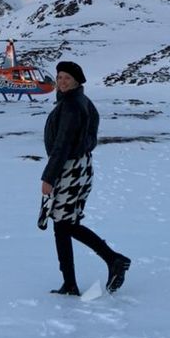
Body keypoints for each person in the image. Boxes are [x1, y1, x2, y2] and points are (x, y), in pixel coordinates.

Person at [39, 60, 130, 296]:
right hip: (81, 166)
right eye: (59, 77)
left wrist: (48, 177)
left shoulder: (70, 106)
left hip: (69, 169)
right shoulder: (82, 102)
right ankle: (72, 281)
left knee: (64, 224)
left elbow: (62, 144)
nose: (61, 82)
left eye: (66, 78)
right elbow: (88, 137)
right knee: (65, 225)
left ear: (77, 81)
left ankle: (112, 260)